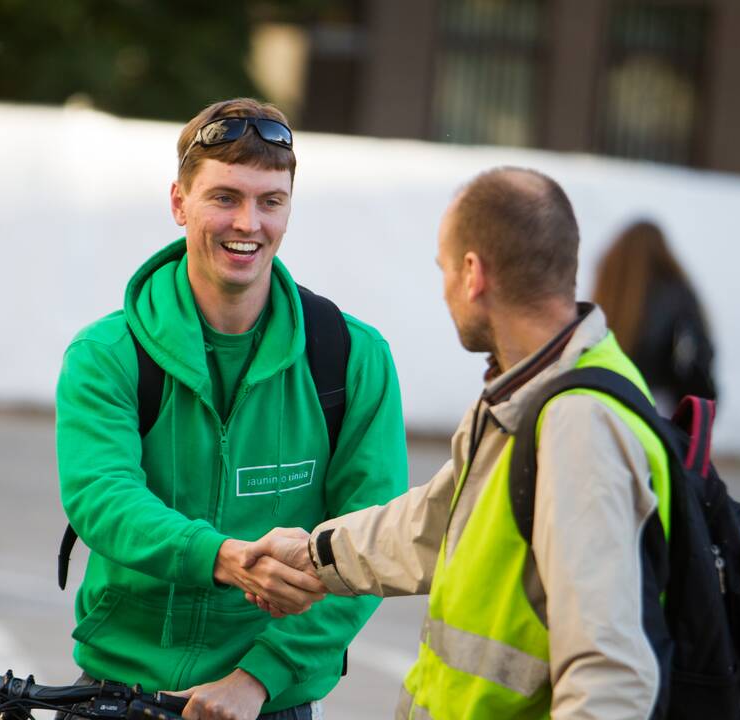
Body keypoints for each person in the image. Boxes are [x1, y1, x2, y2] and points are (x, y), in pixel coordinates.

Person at [243, 167, 675, 719]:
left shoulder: (578, 423)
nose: (444, 289)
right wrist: (312, 553)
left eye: (443, 269)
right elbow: (435, 523)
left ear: (472, 274)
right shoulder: (529, 392)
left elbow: (609, 675)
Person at [55, 98, 407, 720]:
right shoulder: (107, 352)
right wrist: (225, 559)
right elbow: (101, 498)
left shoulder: (352, 357)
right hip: (117, 690)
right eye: (225, 197)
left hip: (271, 701)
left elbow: (368, 542)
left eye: (270, 201)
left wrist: (257, 680)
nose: (248, 223)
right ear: (178, 202)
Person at [593, 219, 716, 413]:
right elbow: (700, 352)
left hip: (609, 398)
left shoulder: (611, 293)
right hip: (662, 404)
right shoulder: (677, 292)